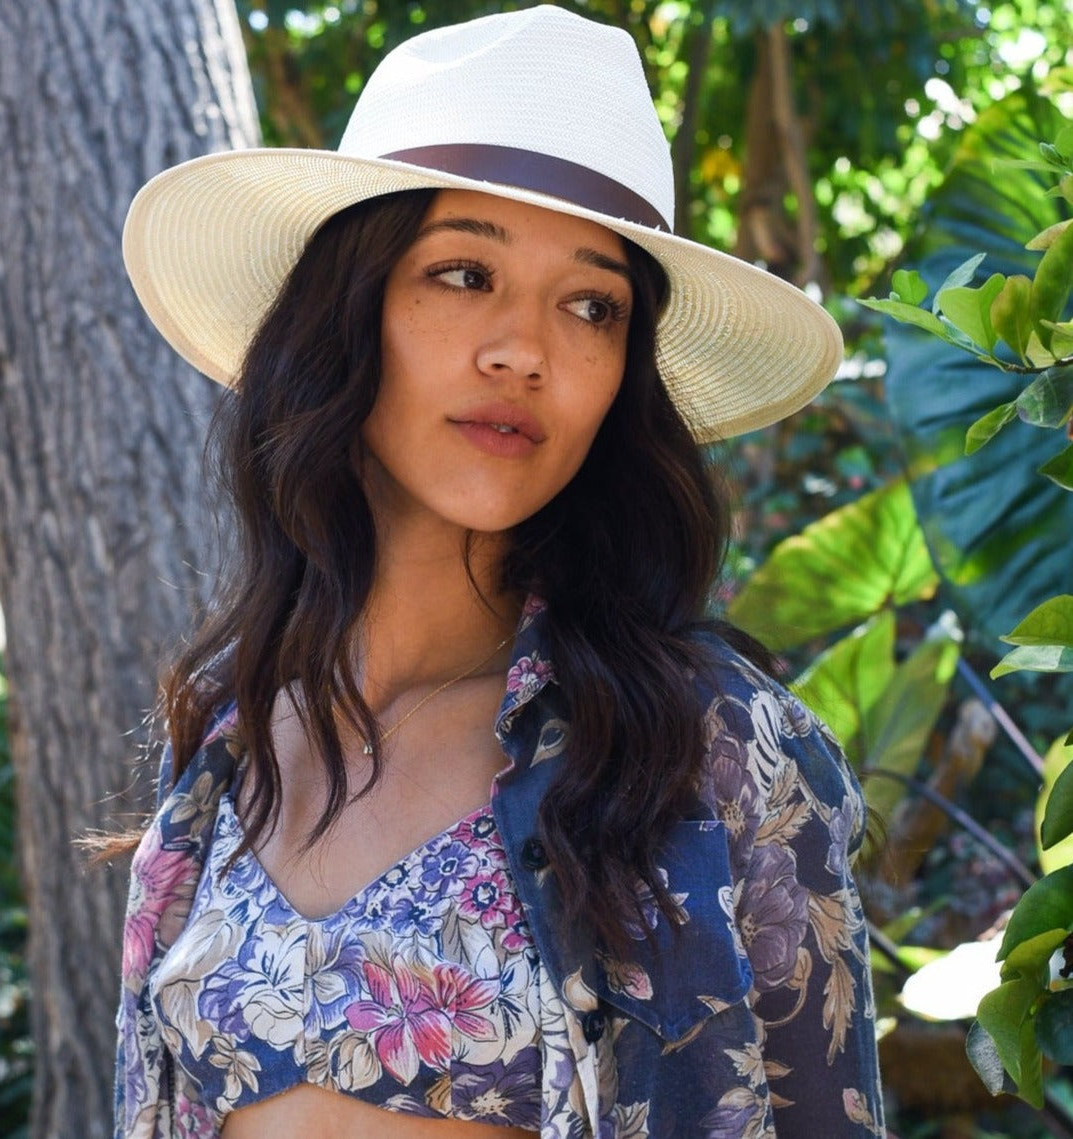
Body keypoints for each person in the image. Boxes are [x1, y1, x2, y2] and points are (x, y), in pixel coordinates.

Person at [114, 6, 885, 1138]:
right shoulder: (228, 750)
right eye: (464, 271)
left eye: (590, 304)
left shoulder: (706, 747)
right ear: (351, 307)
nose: (522, 347)